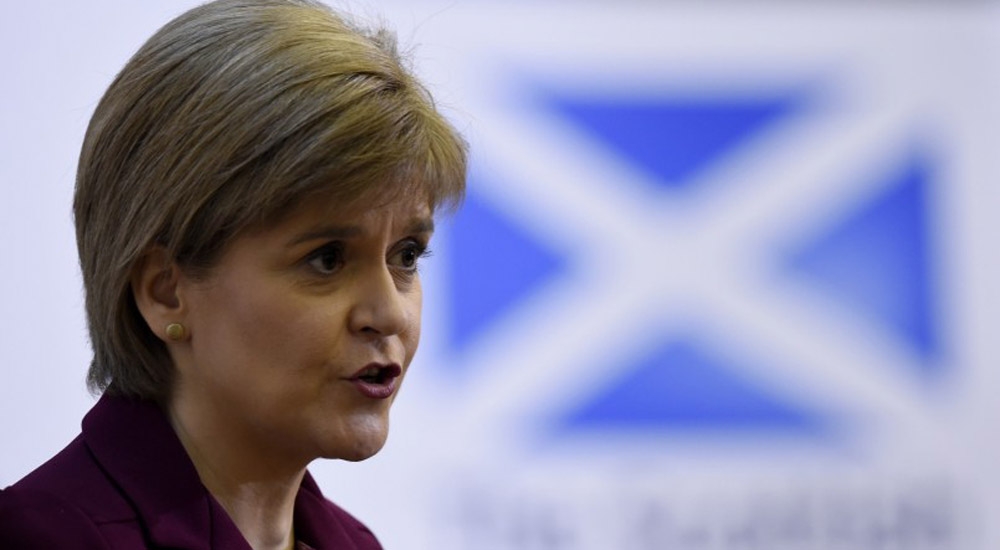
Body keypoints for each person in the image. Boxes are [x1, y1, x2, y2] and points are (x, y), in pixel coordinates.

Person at [0, 0, 466, 548]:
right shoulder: (44, 537)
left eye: (406, 256)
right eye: (327, 259)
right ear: (165, 292)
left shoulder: (354, 542)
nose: (389, 314)